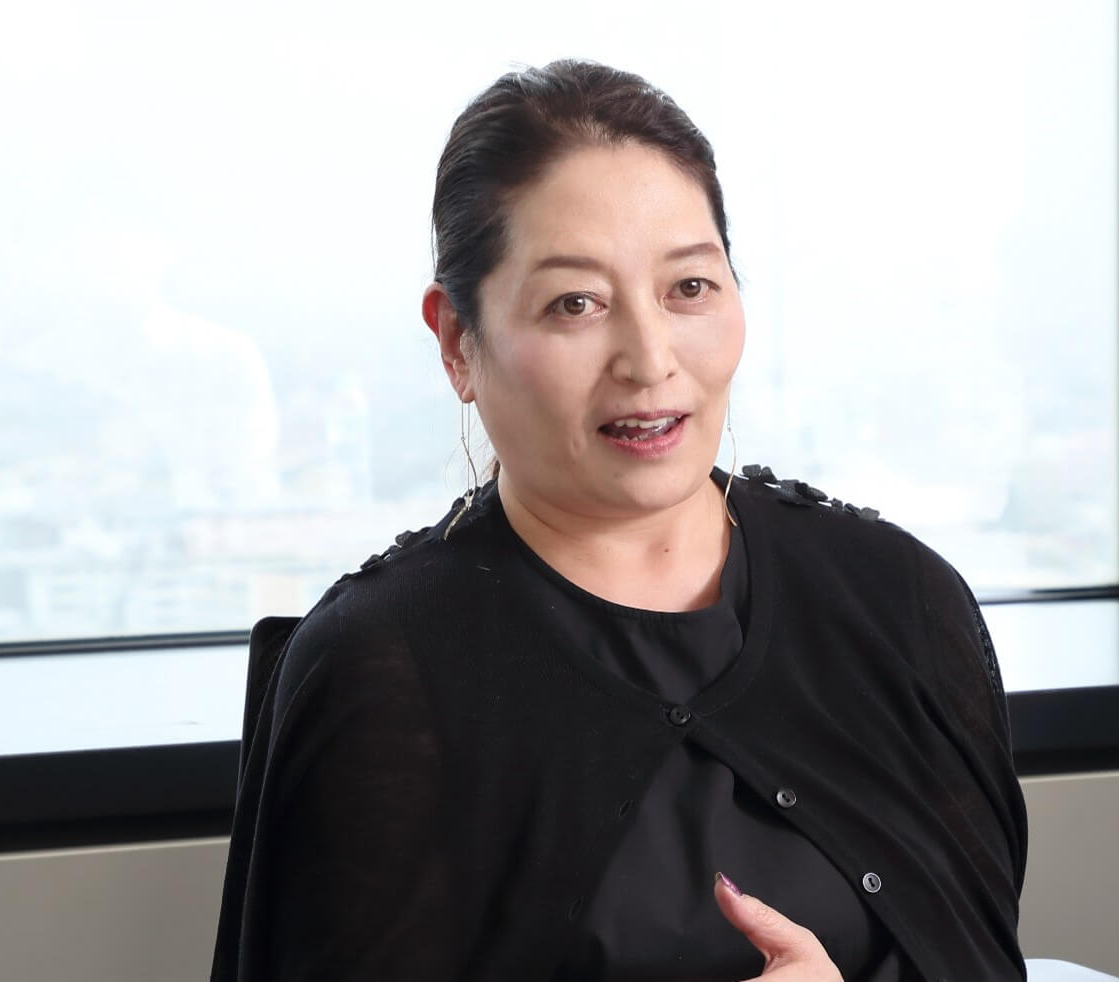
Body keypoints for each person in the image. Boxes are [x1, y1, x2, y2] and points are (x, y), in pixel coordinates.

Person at [211, 59, 1027, 981]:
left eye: (690, 288)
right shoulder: (379, 667)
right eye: (576, 304)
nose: (649, 359)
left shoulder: (899, 600)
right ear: (457, 343)